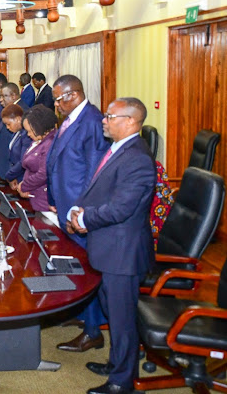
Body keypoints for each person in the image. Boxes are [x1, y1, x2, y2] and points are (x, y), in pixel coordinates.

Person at [66, 98, 156, 394]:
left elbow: (121, 208)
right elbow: (100, 192)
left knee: (122, 319)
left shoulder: (138, 159)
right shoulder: (119, 149)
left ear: (130, 121)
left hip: (123, 252)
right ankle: (117, 363)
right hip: (109, 248)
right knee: (112, 311)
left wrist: (85, 219)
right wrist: (78, 211)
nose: (103, 120)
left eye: (110, 116)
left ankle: (121, 382)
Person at [48, 75, 110, 355]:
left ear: (73, 95)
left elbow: (94, 175)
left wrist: (78, 212)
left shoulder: (92, 121)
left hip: (79, 211)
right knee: (78, 268)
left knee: (88, 270)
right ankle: (85, 315)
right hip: (65, 205)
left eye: (58, 99)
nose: (56, 105)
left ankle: (93, 332)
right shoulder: (73, 118)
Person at [16, 105, 57, 211]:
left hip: (44, 201)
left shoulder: (50, 143)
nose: (28, 134)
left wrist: (24, 186)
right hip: (34, 196)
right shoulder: (39, 140)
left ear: (39, 126)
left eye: (29, 131)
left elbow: (44, 173)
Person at [0, 82, 30, 179]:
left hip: (14, 171)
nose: (0, 100)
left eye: (3, 96)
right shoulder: (9, 110)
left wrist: (12, 174)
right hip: (6, 167)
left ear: (13, 96)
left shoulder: (23, 111)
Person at [2, 104, 33, 184]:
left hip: (23, 179)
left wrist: (9, 175)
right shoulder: (16, 133)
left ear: (18, 119)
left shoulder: (27, 136)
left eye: (8, 124)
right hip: (16, 177)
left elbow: (23, 161)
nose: (7, 127)